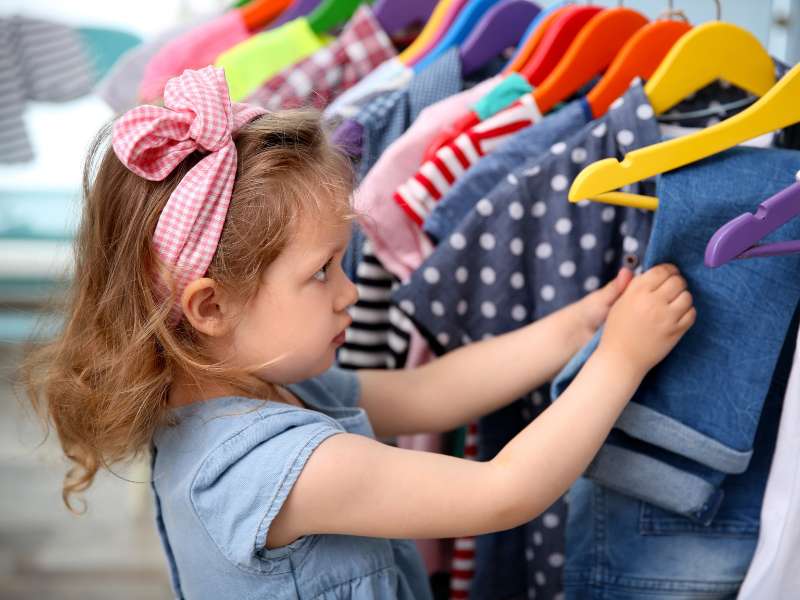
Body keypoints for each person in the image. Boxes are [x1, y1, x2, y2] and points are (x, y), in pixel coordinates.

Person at [22, 66, 695, 600]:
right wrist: (620, 360)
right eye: (322, 274)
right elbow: (503, 492)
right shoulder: (270, 469)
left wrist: (578, 323)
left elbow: (432, 391)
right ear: (209, 307)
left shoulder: (260, 384)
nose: (352, 292)